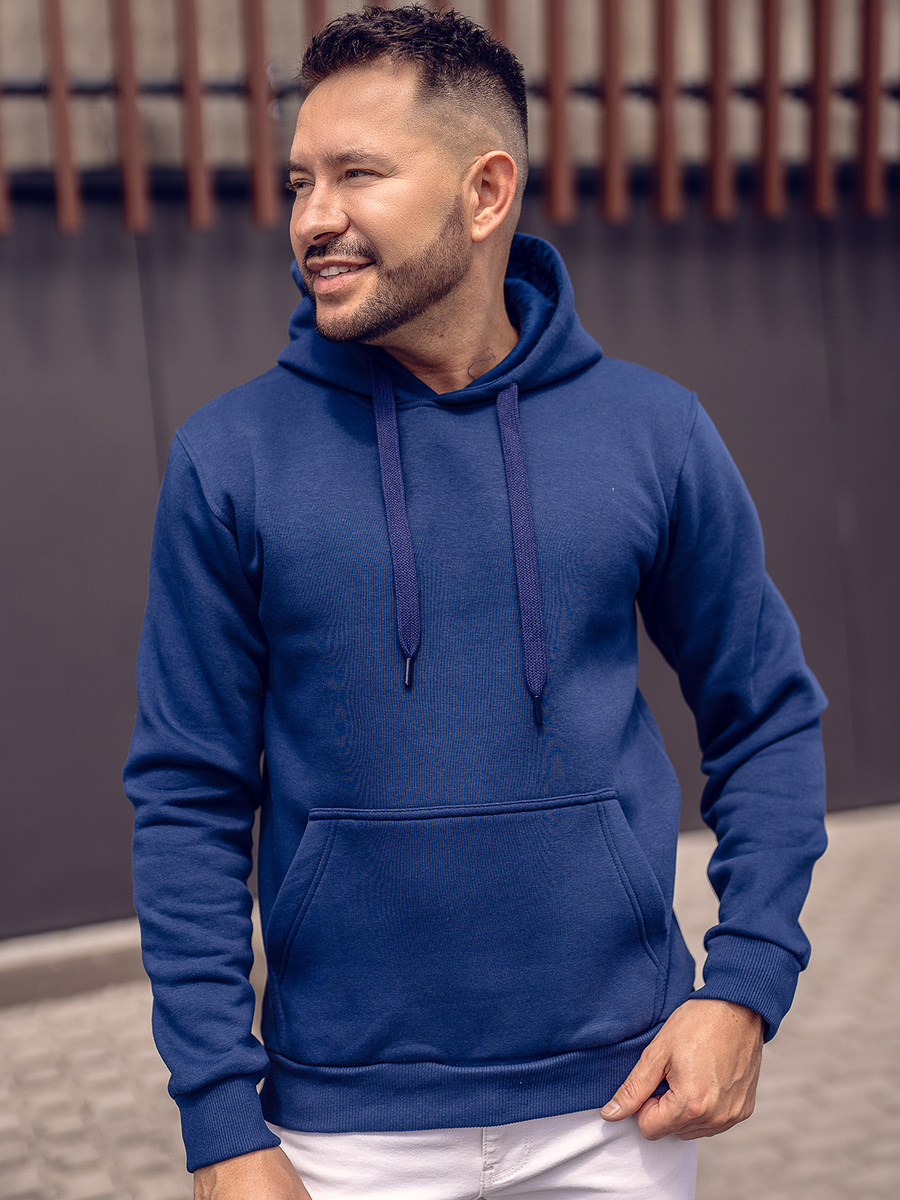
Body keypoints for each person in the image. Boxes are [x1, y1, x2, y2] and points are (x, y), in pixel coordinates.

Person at [123, 6, 828, 1199]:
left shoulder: (650, 432)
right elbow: (187, 796)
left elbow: (766, 716)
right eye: (299, 181)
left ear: (486, 191)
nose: (312, 218)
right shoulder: (230, 459)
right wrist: (221, 1123)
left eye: (357, 174)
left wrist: (745, 990)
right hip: (341, 1132)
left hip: (620, 1107)